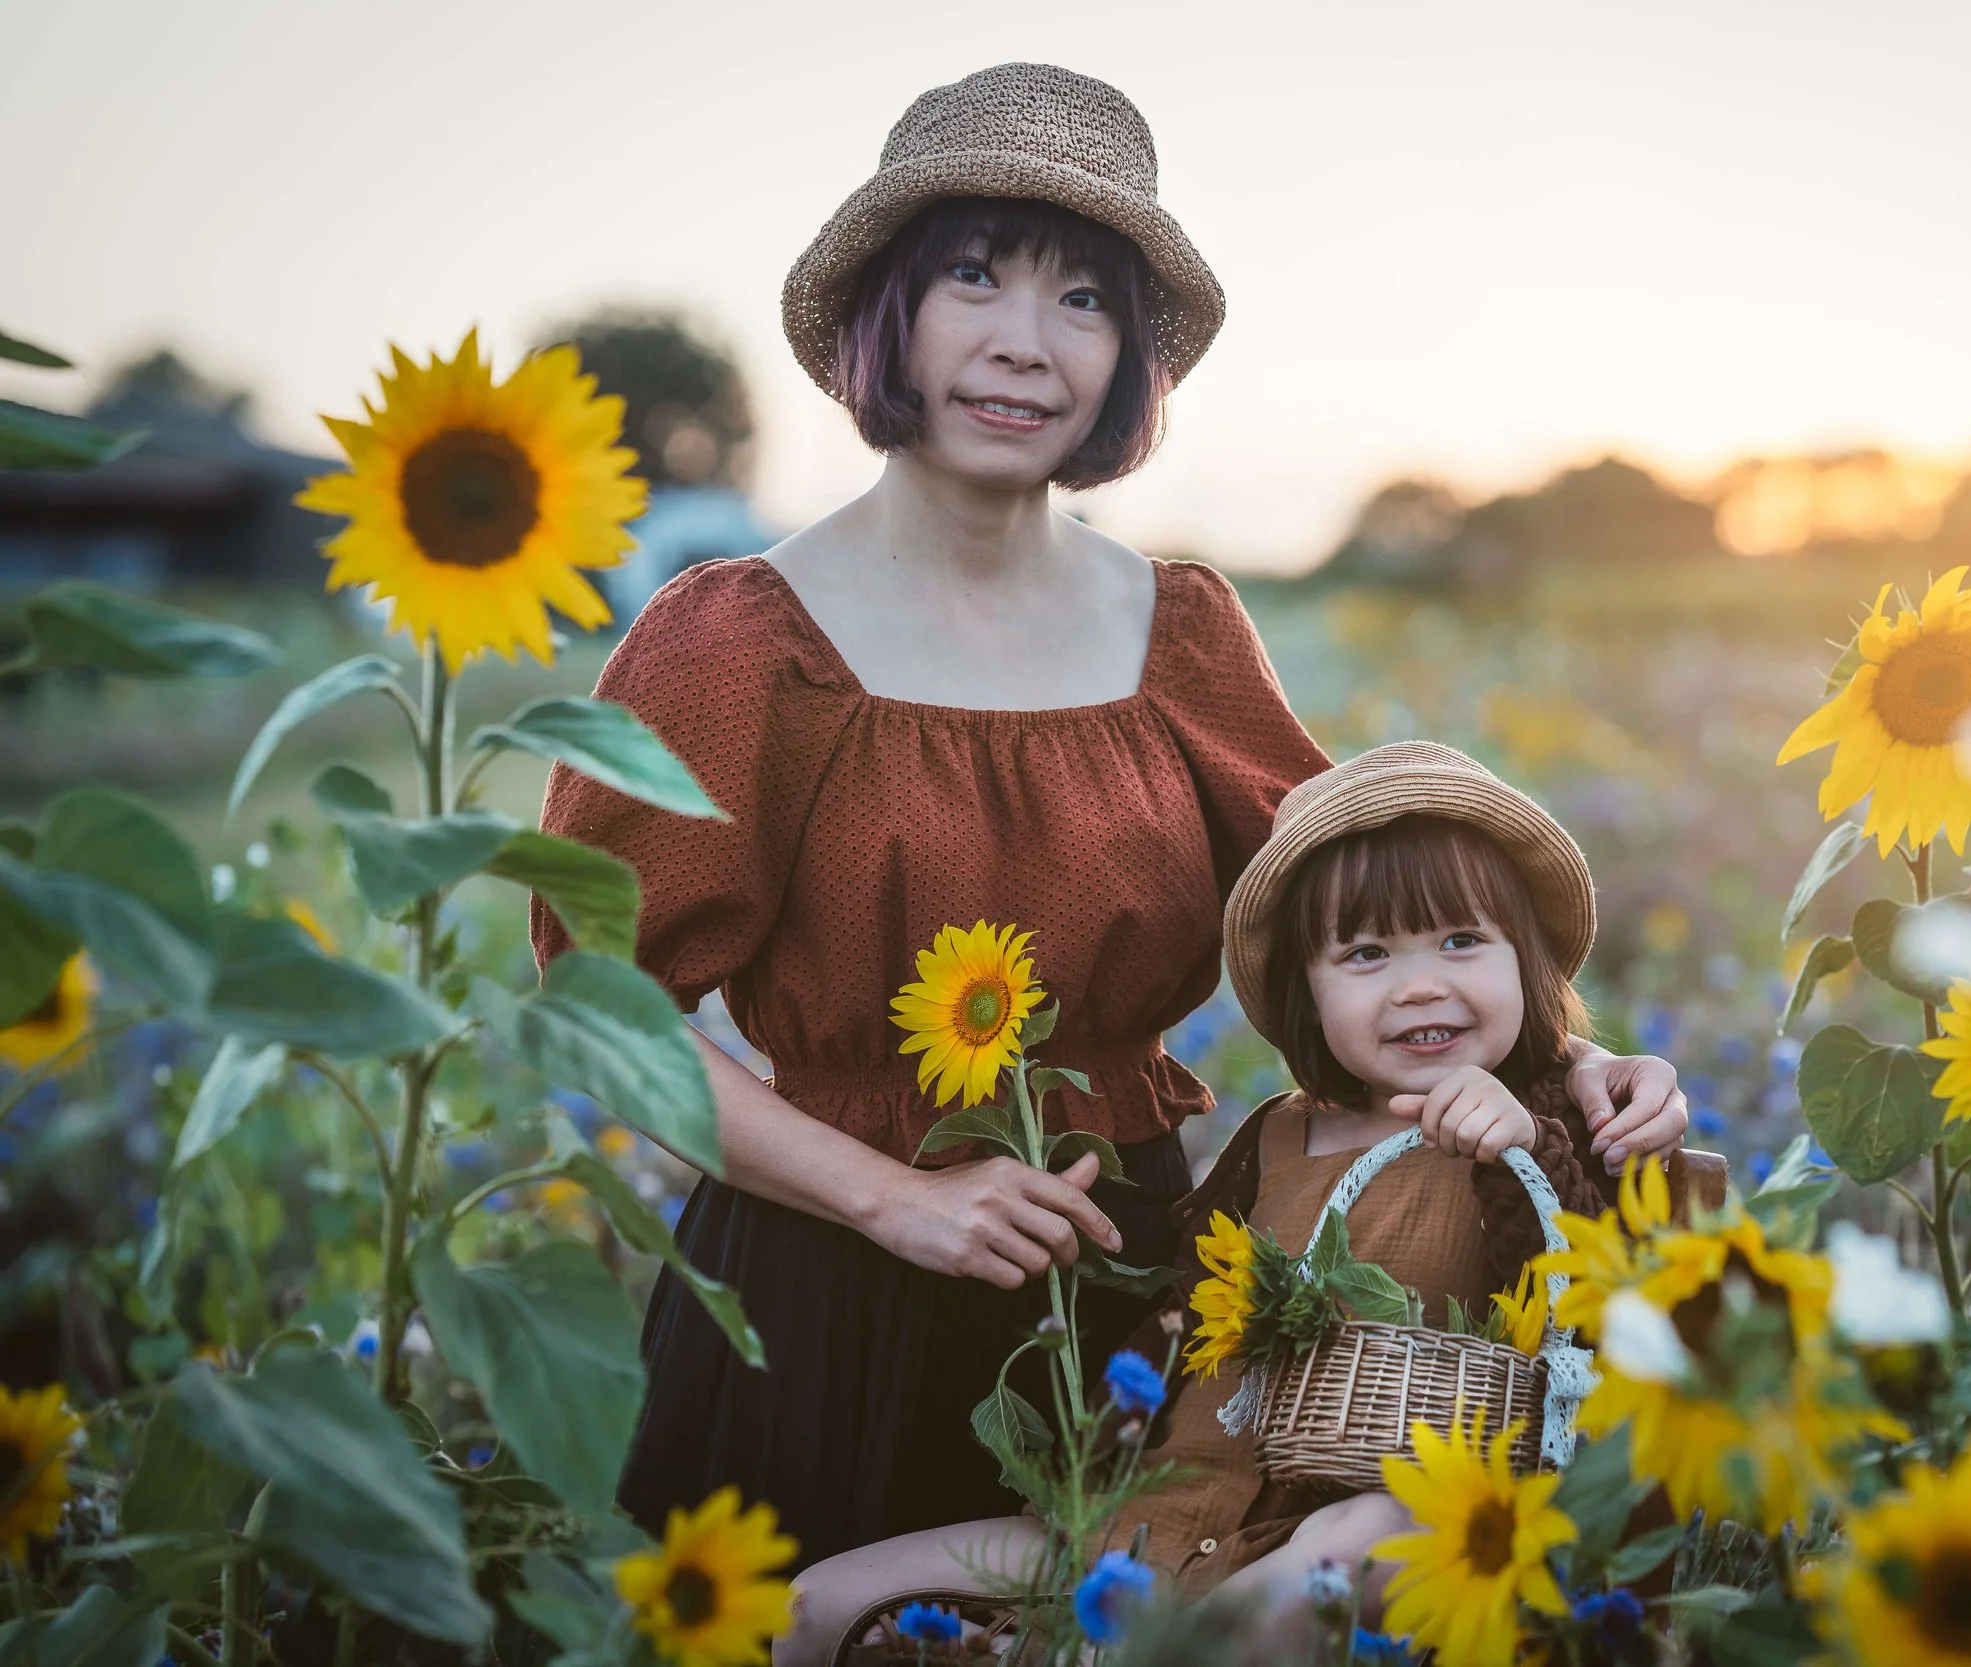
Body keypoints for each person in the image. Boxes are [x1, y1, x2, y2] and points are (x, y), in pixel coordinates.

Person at [535, 65, 1690, 1572]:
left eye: (1084, 299)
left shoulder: (1184, 633)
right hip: (825, 1290)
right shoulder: (733, 644)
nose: (1026, 342)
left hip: (1154, 1296)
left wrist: (1584, 1065)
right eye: (973, 277)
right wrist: (900, 1201)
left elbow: (1379, 928)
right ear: (889, 309)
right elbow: (592, 1004)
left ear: (1127, 358)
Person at [777, 744, 1728, 1661]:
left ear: (1528, 963)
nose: (1422, 982)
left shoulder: (1567, 1120)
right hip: (1155, 1521)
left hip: (1341, 1533)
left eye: (1462, 939)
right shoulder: (1274, 1133)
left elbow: (1601, 1325)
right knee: (823, 1607)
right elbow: (1176, 1325)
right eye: (1364, 954)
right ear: (1305, 993)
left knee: (1360, 1540)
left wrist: (1527, 1139)